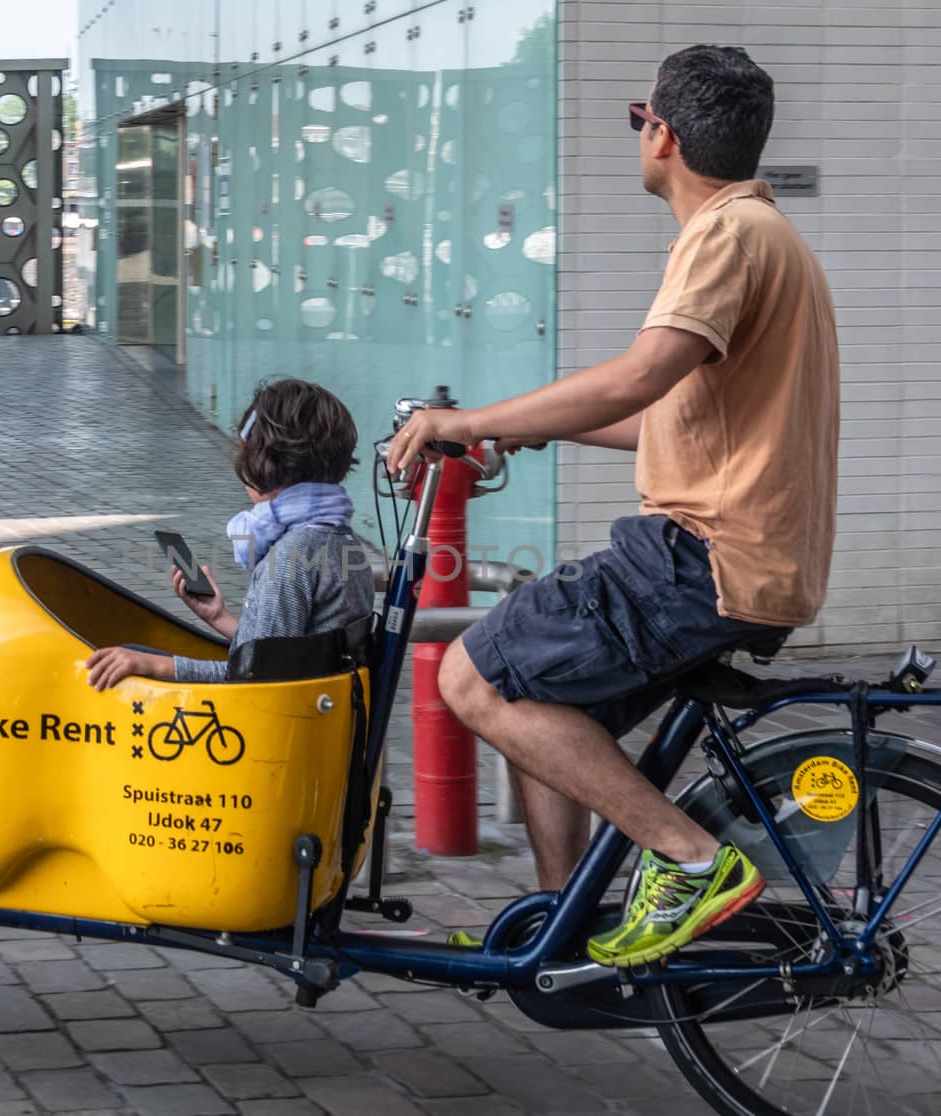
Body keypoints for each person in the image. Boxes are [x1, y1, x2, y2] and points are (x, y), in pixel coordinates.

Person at [386, 45, 840, 968]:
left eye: (640, 121)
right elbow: (667, 421)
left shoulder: (725, 236)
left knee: (470, 673)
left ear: (662, 134)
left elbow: (636, 378)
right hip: (752, 558)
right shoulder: (770, 239)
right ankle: (568, 930)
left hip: (703, 554)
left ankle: (691, 859)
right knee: (535, 685)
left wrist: (465, 416)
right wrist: (521, 429)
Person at [87, 379, 375, 689]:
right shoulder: (342, 540)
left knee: (128, 658)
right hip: (326, 708)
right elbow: (294, 650)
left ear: (262, 462)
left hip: (281, 724)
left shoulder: (292, 557)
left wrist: (153, 665)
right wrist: (219, 617)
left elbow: (259, 681)